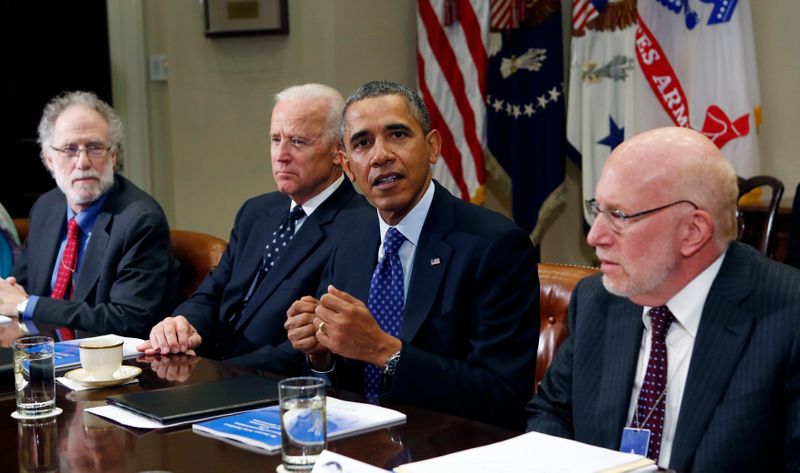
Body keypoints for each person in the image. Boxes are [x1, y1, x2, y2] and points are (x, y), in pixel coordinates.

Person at [526, 127, 800, 471]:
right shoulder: (598, 299)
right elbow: (551, 412)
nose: (595, 236)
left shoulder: (788, 316)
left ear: (692, 231)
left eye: (620, 216)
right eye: (598, 209)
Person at [285, 81, 539, 430]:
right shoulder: (348, 246)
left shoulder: (495, 246)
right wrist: (322, 354)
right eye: (362, 143)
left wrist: (384, 351)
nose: (381, 155)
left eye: (398, 135)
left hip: (449, 449)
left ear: (432, 147)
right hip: (357, 447)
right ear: (346, 165)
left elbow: (501, 396)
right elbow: (342, 383)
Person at [138, 84, 372, 375]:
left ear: (338, 152)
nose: (281, 154)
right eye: (275, 139)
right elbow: (211, 295)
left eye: (298, 142)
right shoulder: (256, 212)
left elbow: (311, 343)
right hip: (209, 370)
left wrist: (217, 373)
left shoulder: (361, 226)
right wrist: (183, 324)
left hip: (267, 384)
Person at [0, 91, 178, 338]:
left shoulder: (140, 220)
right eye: (69, 149)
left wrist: (26, 305)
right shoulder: (46, 207)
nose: (82, 162)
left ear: (113, 156)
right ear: (48, 159)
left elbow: (128, 319)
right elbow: (17, 288)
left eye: (95, 148)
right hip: (41, 355)